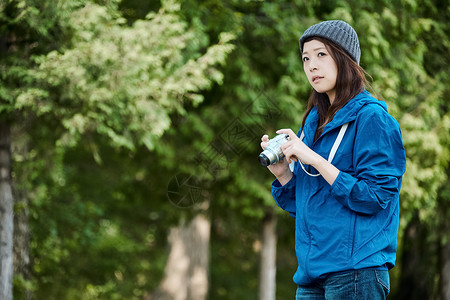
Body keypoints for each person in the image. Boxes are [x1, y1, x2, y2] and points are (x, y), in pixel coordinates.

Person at [260, 20, 406, 299]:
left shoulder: (372, 119)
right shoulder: (313, 125)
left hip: (356, 273)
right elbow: (306, 205)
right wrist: (283, 175)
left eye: (321, 54)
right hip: (311, 276)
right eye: (305, 58)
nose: (311, 65)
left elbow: (376, 197)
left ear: (345, 58)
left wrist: (313, 159)